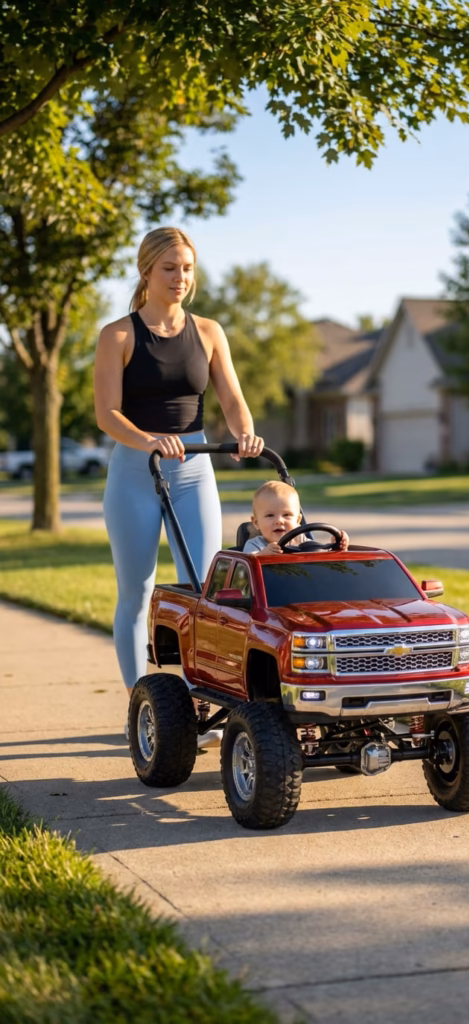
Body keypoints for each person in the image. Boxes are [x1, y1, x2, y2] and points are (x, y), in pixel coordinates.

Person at [94, 226, 264, 737]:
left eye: (187, 268)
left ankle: (202, 702)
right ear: (146, 271)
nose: (180, 278)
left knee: (204, 589)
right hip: (134, 471)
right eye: (170, 268)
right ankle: (140, 705)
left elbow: (232, 400)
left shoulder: (209, 331)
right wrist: (147, 439)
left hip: (193, 468)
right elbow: (107, 414)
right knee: (138, 589)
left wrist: (245, 434)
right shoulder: (118, 335)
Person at [243, 480, 349, 553]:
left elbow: (318, 553)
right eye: (270, 515)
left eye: (286, 515)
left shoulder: (301, 541)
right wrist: (263, 555)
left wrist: (338, 546)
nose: (279, 521)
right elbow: (250, 560)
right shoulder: (255, 544)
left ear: (298, 520)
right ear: (256, 523)